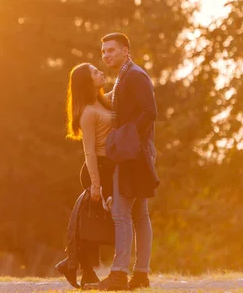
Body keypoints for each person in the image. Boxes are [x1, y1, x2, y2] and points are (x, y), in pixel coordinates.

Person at [85, 32, 159, 291]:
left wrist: (128, 136)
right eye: (103, 51)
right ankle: (141, 275)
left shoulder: (136, 75)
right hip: (135, 150)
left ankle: (118, 275)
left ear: (126, 50)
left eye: (112, 50)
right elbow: (111, 103)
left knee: (121, 212)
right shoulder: (124, 77)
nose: (106, 55)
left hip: (134, 152)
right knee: (139, 214)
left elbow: (150, 111)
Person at [55, 62, 116, 288]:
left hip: (108, 168)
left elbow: (120, 90)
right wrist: (96, 185)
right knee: (96, 223)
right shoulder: (88, 113)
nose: (100, 71)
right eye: (94, 72)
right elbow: (89, 151)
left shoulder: (102, 101)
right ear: (86, 81)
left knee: (95, 223)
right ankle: (82, 268)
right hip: (97, 169)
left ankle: (76, 266)